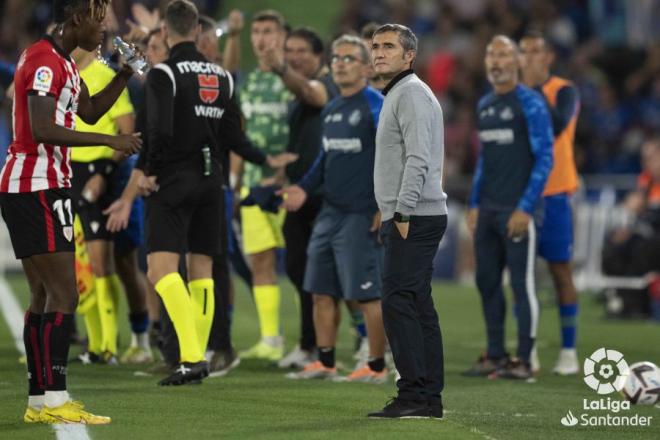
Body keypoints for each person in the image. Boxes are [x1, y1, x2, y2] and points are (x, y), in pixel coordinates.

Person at [134, 0, 294, 385]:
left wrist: (148, 172)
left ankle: (190, 356)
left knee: (160, 270)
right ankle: (199, 354)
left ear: (166, 32)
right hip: (212, 181)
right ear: (196, 30)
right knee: (202, 271)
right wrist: (266, 157)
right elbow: (234, 135)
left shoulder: (163, 75)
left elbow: (161, 132)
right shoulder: (222, 77)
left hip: (173, 179)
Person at [0, 0, 141, 424]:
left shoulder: (61, 62)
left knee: (44, 294)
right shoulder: (45, 61)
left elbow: (92, 108)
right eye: (99, 22)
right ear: (76, 19)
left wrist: (127, 71)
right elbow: (42, 127)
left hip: (42, 184)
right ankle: (56, 397)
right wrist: (110, 141)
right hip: (35, 185)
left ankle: (39, 401)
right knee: (65, 293)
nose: (103, 32)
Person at [280, 35, 387, 383]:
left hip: (361, 213)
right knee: (320, 289)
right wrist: (302, 188)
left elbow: (392, 159)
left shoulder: (376, 106)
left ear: (367, 68)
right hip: (330, 212)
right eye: (337, 58)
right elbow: (325, 160)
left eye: (349, 59)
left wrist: (385, 204)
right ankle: (325, 361)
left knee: (366, 293)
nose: (340, 64)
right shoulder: (333, 108)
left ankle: (376, 365)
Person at [368, 24, 448, 419]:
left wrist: (401, 210)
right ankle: (428, 397)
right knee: (416, 305)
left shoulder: (411, 93)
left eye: (388, 46)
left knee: (400, 303)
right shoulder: (401, 93)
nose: (379, 52)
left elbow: (418, 158)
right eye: (375, 46)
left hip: (413, 216)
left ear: (409, 55)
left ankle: (415, 394)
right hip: (414, 214)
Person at [464, 35, 553, 381]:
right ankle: (496, 354)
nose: (496, 62)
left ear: (516, 62)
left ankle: (527, 361)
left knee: (521, 284)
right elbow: (485, 159)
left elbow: (545, 157)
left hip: (517, 209)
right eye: (491, 55)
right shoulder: (485, 104)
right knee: (486, 280)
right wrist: (474, 203)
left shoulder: (530, 104)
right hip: (488, 209)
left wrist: (526, 207)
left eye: (503, 55)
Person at [261, 26, 340, 368]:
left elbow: (314, 95)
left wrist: (280, 68)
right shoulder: (297, 96)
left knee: (329, 277)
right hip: (298, 195)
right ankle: (309, 344)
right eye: (288, 51)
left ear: (319, 56)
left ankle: (364, 345)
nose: (293, 57)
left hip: (325, 195)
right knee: (298, 270)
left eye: (300, 52)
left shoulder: (328, 86)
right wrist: (281, 174)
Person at [68, 47, 152, 366]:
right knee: (84, 263)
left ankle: (110, 345)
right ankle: (98, 344)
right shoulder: (66, 74)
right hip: (73, 172)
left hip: (102, 174)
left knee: (108, 263)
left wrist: (104, 173)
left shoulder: (105, 75)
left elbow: (128, 131)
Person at [520, 31, 581, 375]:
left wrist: (533, 89)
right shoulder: (513, 93)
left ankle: (569, 351)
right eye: (523, 52)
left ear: (548, 58)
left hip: (556, 193)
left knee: (560, 272)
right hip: (522, 195)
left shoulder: (564, 91)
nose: (527, 58)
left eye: (534, 52)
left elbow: (557, 127)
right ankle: (527, 352)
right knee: (520, 276)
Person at [236, 10, 292, 363]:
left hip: (293, 187)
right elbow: (240, 136)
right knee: (260, 261)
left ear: (283, 36)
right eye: (256, 32)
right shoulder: (249, 83)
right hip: (254, 185)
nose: (261, 38)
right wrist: (235, 182)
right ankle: (271, 338)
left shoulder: (295, 80)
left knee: (308, 266)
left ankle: (324, 341)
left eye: (268, 31)